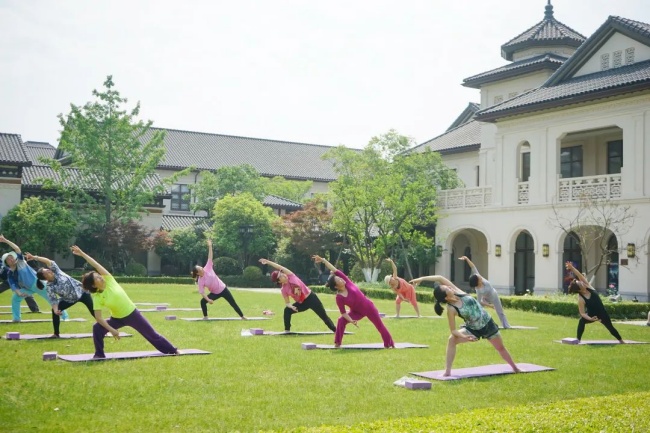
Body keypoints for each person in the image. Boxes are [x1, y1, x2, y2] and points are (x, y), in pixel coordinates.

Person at [71, 245, 179, 359]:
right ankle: (99, 354)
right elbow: (99, 318)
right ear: (93, 285)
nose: (100, 277)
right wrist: (112, 330)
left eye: (98, 275)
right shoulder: (97, 297)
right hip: (117, 319)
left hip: (133, 314)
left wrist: (82, 254)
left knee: (152, 335)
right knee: (97, 328)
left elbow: (96, 265)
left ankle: (173, 350)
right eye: (97, 278)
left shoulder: (109, 280)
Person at [410, 274, 520, 377]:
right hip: (473, 329)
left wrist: (422, 279)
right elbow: (453, 331)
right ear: (446, 297)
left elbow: (439, 278)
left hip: (488, 323)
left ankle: (515, 368)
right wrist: (465, 337)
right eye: (447, 288)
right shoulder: (451, 309)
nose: (449, 287)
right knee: (451, 339)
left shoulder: (457, 291)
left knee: (500, 348)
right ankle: (447, 371)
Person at [313, 255, 394, 348]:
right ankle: (337, 343)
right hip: (356, 312)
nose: (341, 279)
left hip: (368, 307)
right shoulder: (339, 297)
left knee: (379, 325)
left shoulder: (347, 282)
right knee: (341, 320)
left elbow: (334, 269)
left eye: (340, 278)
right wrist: (351, 320)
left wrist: (323, 260)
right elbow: (343, 313)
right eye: (339, 280)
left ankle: (389, 344)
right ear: (336, 286)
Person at [0, 235, 68, 322]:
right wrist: (19, 293)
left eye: (11, 257)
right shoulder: (10, 274)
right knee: (15, 299)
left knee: (52, 299)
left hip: (37, 284)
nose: (11, 259)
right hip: (27, 288)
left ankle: (65, 317)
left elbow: (17, 249)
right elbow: (13, 285)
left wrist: (5, 240)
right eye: (8, 259)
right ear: (6, 263)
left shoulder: (21, 262)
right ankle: (16, 319)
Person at [26, 253, 95, 337]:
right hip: (69, 300)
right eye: (47, 272)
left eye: (48, 269)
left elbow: (48, 261)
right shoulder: (49, 286)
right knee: (54, 311)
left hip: (82, 292)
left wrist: (34, 257)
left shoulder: (56, 271)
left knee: (94, 311)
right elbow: (53, 300)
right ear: (45, 277)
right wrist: (56, 310)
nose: (49, 270)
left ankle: (106, 328)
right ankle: (56, 334)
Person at [259, 258, 336, 333]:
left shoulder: (291, 275)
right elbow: (287, 303)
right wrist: (291, 307)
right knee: (287, 310)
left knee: (324, 316)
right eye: (280, 276)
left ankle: (336, 330)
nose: (283, 275)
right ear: (279, 281)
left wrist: (268, 262)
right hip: (301, 303)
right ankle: (287, 331)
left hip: (311, 298)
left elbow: (279, 267)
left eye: (282, 273)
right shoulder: (284, 290)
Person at [565, 261, 624, 343]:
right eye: (580, 283)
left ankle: (621, 341)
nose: (582, 282)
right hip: (591, 315)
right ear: (579, 289)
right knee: (581, 321)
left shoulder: (588, 286)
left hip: (602, 313)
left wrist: (572, 268)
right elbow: (582, 313)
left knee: (610, 327)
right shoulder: (581, 299)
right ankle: (578, 339)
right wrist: (590, 318)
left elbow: (579, 275)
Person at [192, 238, 246, 320]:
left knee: (232, 303)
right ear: (198, 273)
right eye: (200, 269)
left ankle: (242, 316)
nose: (202, 268)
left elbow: (210, 257)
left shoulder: (208, 268)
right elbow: (202, 292)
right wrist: (208, 300)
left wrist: (210, 246)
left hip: (223, 289)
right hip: (214, 293)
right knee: (202, 301)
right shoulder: (200, 281)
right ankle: (205, 317)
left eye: (201, 267)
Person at [459, 256, 510, 328]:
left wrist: (466, 259)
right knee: (477, 310)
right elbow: (479, 302)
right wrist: (489, 305)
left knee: (500, 312)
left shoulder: (479, 277)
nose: (479, 276)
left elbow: (473, 267)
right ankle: (471, 323)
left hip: (494, 296)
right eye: (478, 277)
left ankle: (506, 326)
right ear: (477, 282)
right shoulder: (479, 290)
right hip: (485, 299)